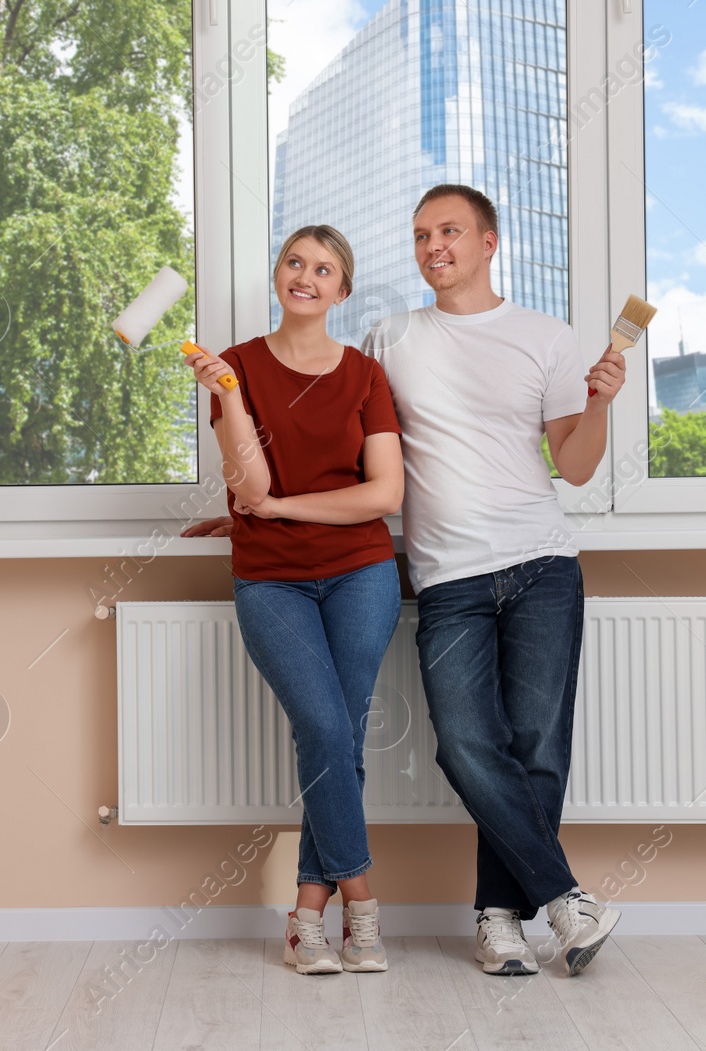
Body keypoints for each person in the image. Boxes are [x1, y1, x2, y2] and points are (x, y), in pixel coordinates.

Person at [188, 187, 630, 978]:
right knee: (464, 744)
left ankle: (500, 920)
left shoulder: (547, 337)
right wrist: (254, 514)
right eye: (422, 234)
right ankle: (563, 897)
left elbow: (575, 463)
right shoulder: (389, 340)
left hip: (542, 562)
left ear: (490, 241)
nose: (433, 246)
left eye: (450, 231)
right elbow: (327, 441)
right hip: (447, 571)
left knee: (537, 749)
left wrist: (598, 402)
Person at [182, 224, 405, 975]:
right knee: (324, 723)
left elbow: (385, 493)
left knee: (342, 731)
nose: (305, 276)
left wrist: (288, 508)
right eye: (294, 263)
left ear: (342, 290)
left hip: (361, 571)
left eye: (324, 268)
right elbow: (250, 486)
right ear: (278, 275)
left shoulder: (367, 375)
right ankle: (362, 903)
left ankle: (308, 915)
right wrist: (229, 398)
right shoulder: (235, 366)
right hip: (269, 578)